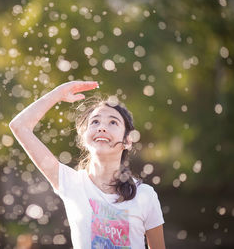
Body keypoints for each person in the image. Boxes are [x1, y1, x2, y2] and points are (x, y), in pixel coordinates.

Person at [9, 81, 165, 249]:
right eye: (95, 122)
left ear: (127, 140)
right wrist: (58, 93)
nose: (102, 128)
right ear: (84, 137)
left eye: (113, 122)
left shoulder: (145, 195)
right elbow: (19, 126)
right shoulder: (70, 183)